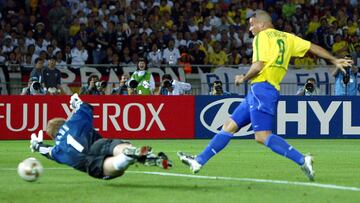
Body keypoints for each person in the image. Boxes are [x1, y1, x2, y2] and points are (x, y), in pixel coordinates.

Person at [177, 10, 353, 181]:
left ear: (262, 24)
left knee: (262, 136)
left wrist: (243, 78)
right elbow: (311, 47)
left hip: (262, 89)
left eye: (252, 25)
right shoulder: (288, 37)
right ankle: (198, 161)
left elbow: (259, 66)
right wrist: (334, 59)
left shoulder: (261, 37)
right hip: (260, 91)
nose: (250, 29)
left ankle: (302, 159)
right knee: (229, 125)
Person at [30, 94, 172, 180]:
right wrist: (77, 103)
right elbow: (87, 107)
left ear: (53, 136)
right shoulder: (74, 120)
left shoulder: (57, 150)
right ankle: (129, 151)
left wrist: (37, 145)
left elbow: (47, 151)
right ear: (63, 121)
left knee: (112, 170)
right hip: (97, 143)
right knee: (115, 146)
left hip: (86, 161)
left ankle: (125, 159)